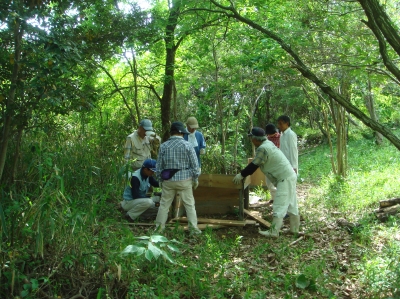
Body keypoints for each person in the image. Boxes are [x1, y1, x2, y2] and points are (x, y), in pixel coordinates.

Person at [233, 127, 300, 237]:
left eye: (251, 139)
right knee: (292, 205)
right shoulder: (268, 144)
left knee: (279, 205)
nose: (251, 141)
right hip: (289, 176)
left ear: (255, 139)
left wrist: (241, 174)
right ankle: (294, 229)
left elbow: (254, 165)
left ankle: (273, 232)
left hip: (285, 178)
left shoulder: (263, 148)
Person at [155, 121, 201, 234]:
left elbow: (159, 166)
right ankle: (194, 229)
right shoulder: (188, 145)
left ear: (172, 133)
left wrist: (160, 180)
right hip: (185, 180)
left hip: (168, 181)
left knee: (164, 205)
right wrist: (195, 179)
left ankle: (158, 229)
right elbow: (195, 166)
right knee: (189, 205)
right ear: (181, 133)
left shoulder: (164, 146)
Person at [264, 123, 281, 202]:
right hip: (269, 163)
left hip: (278, 163)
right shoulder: (267, 139)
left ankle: (280, 199)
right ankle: (274, 198)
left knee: (279, 182)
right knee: (269, 183)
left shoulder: (281, 137)